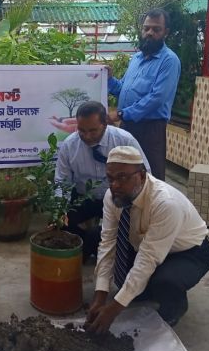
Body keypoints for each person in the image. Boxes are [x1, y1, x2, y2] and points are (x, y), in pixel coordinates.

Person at [85, 146, 209, 332]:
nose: (115, 185)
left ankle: (175, 306)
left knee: (165, 282)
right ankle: (150, 286)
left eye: (122, 177)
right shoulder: (112, 196)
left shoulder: (166, 203)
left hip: (188, 252)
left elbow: (148, 258)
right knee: (133, 290)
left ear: (141, 176)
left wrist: (113, 310)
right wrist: (100, 296)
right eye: (110, 178)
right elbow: (108, 243)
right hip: (143, 244)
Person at [54, 101, 151, 261]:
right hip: (84, 197)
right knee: (62, 225)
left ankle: (94, 246)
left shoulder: (124, 140)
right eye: (82, 130)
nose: (87, 136)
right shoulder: (70, 145)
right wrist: (60, 210)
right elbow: (61, 181)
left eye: (93, 130)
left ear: (105, 124)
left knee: (109, 234)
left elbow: (145, 175)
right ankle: (90, 247)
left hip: (118, 199)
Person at [108, 8, 181, 181]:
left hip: (150, 129)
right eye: (146, 28)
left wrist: (121, 114)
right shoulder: (136, 58)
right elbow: (122, 89)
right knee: (124, 174)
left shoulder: (169, 60)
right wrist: (109, 79)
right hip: (127, 126)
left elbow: (157, 98)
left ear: (166, 32)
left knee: (150, 177)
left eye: (156, 29)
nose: (150, 33)